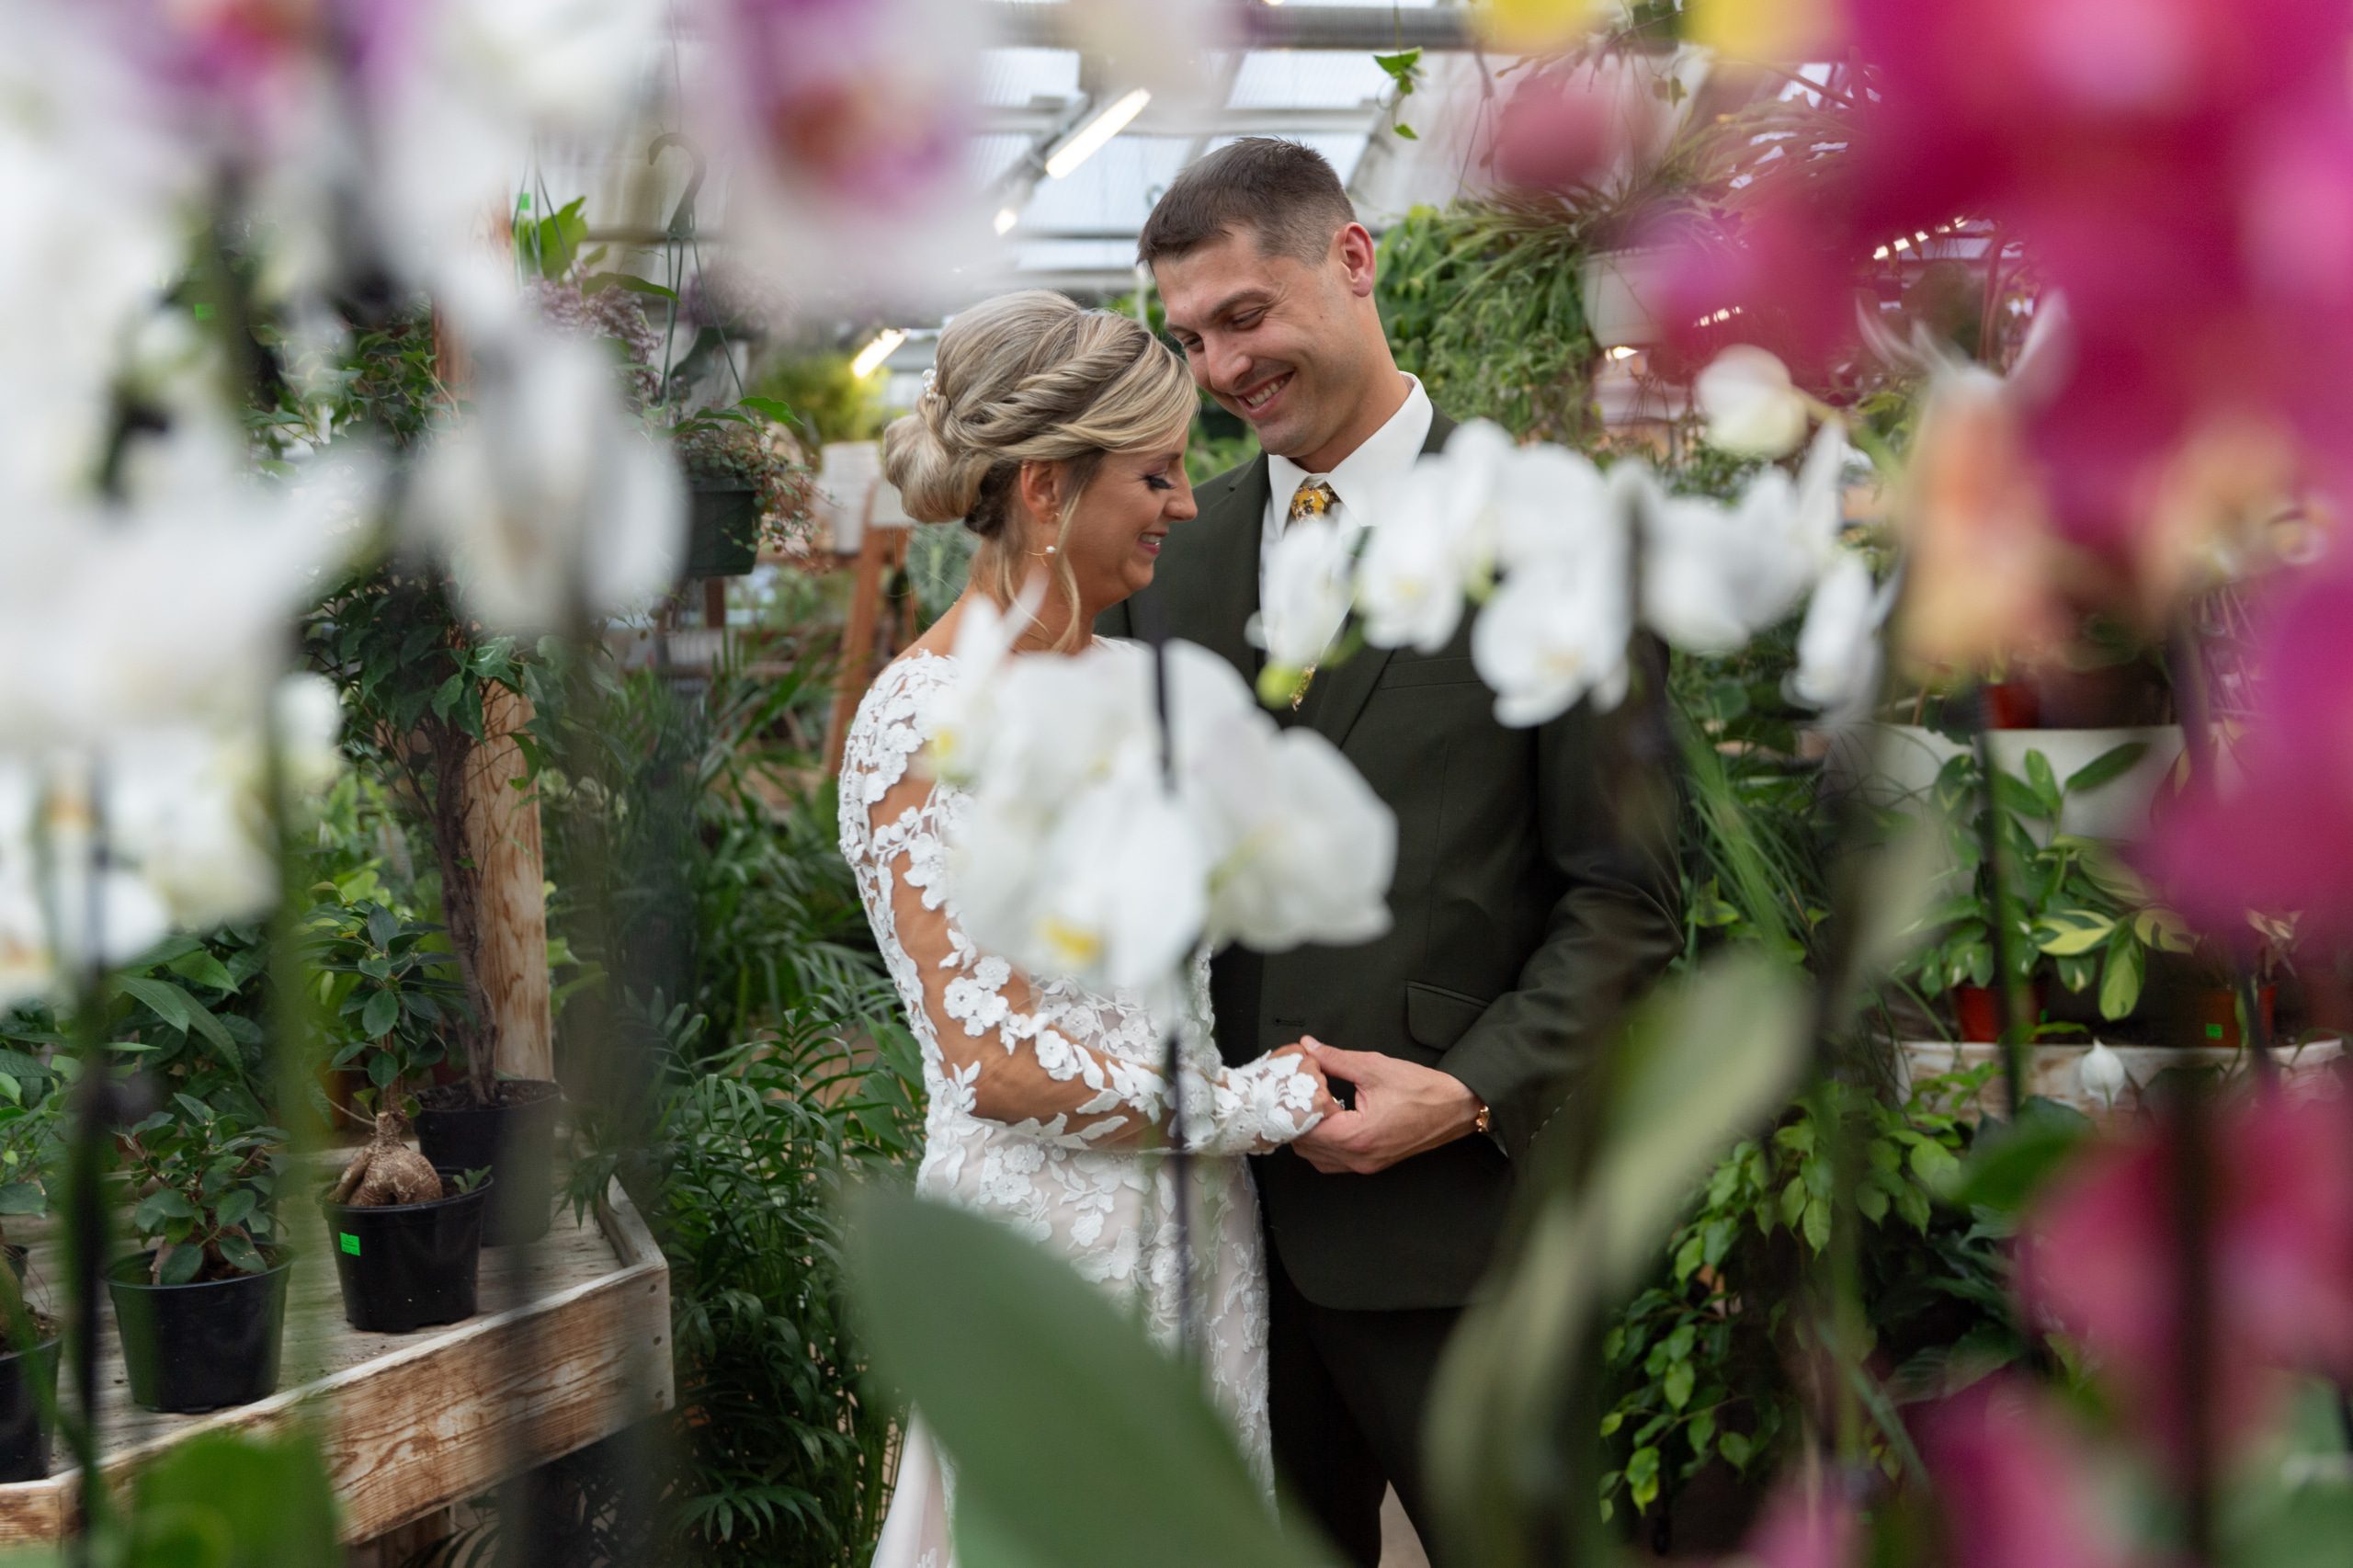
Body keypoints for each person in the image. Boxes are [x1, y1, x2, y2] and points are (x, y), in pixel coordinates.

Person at [1098, 139, 1683, 1567]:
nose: (1224, 367)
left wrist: (1472, 1091)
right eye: (1190, 339)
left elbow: (1627, 902)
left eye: (1247, 315)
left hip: (1458, 1242)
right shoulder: (1167, 558)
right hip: (1211, 1245)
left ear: (1353, 261)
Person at [842, 289, 1341, 1568]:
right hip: (1043, 1266)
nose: (1186, 502)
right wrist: (1245, 1107)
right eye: (1157, 473)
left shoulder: (1132, 692)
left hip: (1198, 1241)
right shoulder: (923, 721)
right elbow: (990, 1060)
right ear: (1050, 492)